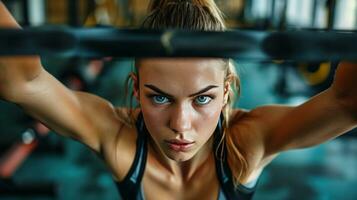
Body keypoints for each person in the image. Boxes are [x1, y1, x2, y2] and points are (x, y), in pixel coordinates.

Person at [0, 0, 357, 199]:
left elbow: (347, 102)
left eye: (202, 100)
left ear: (228, 90)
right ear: (135, 88)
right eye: (159, 98)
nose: (180, 126)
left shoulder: (246, 143)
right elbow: (23, 82)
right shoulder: (119, 137)